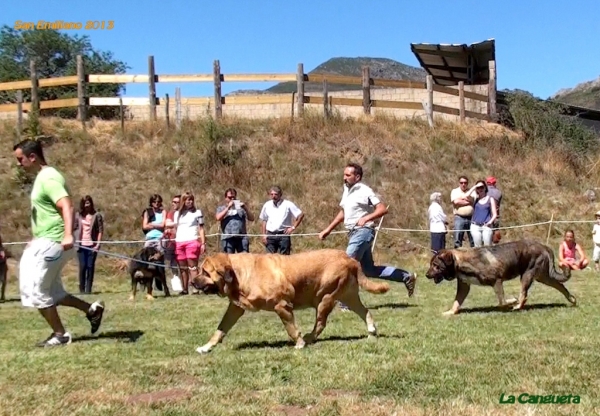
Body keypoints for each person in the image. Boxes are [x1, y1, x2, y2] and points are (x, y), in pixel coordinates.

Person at [13, 139, 105, 347]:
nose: (19, 164)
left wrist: (67, 235)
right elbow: (50, 213)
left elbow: (66, 205)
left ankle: (60, 334)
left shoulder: (48, 177)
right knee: (52, 292)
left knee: (34, 289)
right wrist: (37, 237)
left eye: (20, 159)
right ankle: (91, 310)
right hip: (47, 239)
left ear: (32, 157)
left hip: (54, 241)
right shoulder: (43, 177)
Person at [319, 163, 417, 305]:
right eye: (344, 174)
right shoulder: (347, 190)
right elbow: (343, 212)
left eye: (348, 175)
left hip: (363, 232)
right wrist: (328, 229)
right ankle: (405, 277)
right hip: (353, 233)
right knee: (369, 270)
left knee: (345, 265)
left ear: (357, 177)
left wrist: (366, 218)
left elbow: (382, 209)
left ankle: (346, 302)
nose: (344, 178)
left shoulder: (365, 190)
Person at [173, 191, 206, 295]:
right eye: (188, 199)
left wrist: (203, 243)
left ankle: (196, 288)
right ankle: (185, 289)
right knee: (182, 268)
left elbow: (201, 228)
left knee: (193, 267)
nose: (190, 201)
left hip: (192, 241)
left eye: (191, 199)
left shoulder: (197, 212)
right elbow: (176, 228)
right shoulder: (177, 214)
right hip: (179, 242)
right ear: (183, 201)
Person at [259, 186, 304, 255]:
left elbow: (300, 215)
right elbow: (264, 220)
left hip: (283, 235)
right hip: (270, 235)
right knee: (269, 259)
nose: (273, 196)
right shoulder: (267, 205)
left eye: (276, 194)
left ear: (280, 194)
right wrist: (264, 235)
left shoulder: (288, 204)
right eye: (272, 194)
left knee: (285, 258)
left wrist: (293, 227)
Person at [73, 195, 104, 294]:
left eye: (88, 203)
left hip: (92, 245)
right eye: (85, 203)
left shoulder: (97, 215)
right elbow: (74, 228)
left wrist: (97, 244)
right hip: (80, 245)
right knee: (83, 267)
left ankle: (88, 290)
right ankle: (82, 290)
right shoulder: (78, 215)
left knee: (90, 267)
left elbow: (100, 230)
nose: (87, 205)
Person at [216, 188, 254, 253]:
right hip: (228, 238)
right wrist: (228, 207)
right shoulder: (222, 208)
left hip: (241, 237)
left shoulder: (241, 208)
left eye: (233, 197)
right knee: (228, 259)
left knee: (244, 259)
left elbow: (251, 218)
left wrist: (245, 208)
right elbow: (218, 218)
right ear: (226, 198)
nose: (232, 199)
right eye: (229, 197)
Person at [468, 180, 498, 247]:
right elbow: (466, 196)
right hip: (475, 225)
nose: (480, 189)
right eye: (478, 188)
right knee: (477, 247)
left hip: (486, 225)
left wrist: (490, 222)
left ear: (485, 188)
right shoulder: (475, 199)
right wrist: (474, 187)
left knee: (488, 246)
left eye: (482, 187)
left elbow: (495, 214)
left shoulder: (490, 199)